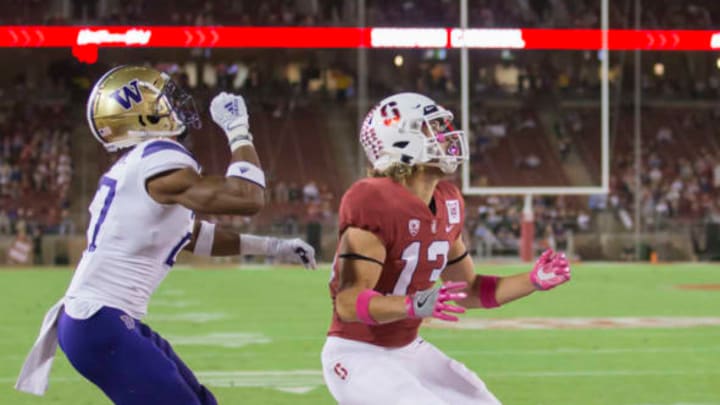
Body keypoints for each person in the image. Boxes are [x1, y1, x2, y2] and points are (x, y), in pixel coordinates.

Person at [16, 65, 317, 405]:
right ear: (143, 116)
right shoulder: (157, 155)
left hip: (100, 322)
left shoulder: (137, 166)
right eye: (165, 101)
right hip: (101, 322)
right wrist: (238, 131)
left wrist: (272, 247)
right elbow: (247, 197)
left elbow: (187, 235)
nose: (175, 107)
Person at [321, 92, 571, 404]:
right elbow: (348, 303)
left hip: (408, 350)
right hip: (358, 353)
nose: (445, 135)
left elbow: (469, 290)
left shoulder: (448, 201)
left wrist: (532, 281)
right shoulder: (373, 200)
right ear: (400, 140)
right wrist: (413, 305)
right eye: (432, 127)